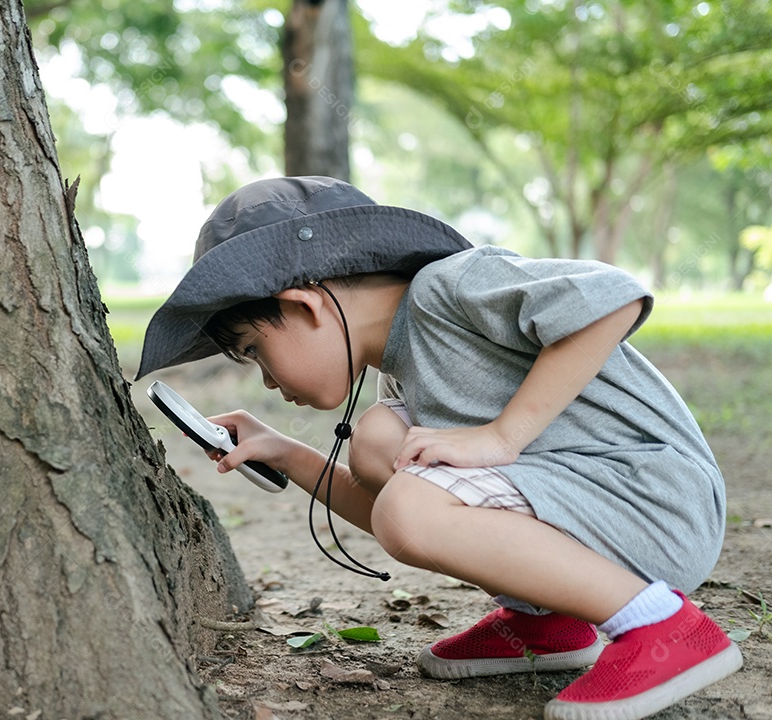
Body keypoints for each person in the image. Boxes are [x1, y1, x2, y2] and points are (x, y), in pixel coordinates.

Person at [136, 176, 742, 720]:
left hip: (654, 500)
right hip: (598, 505)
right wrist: (288, 453)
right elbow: (394, 512)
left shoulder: (448, 287)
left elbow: (612, 297)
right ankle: (551, 620)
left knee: (406, 489)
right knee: (378, 443)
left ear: (305, 304)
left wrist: (502, 437)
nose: (266, 379)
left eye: (253, 351)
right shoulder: (401, 373)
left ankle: (663, 628)